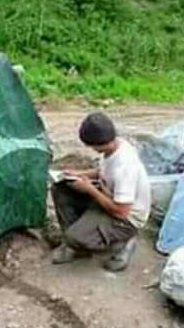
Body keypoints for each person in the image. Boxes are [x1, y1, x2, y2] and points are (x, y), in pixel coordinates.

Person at [51, 112, 151, 272]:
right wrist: (79, 174)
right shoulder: (114, 147)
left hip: (126, 220)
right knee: (61, 187)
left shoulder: (124, 166)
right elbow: (103, 171)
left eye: (91, 146)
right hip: (108, 197)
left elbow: (122, 212)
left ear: (99, 143)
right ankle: (78, 245)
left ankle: (123, 242)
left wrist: (90, 190)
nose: (91, 149)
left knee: (74, 237)